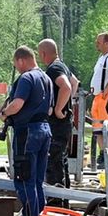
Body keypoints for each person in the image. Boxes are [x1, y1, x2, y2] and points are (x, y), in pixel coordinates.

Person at [0, 46, 54, 216]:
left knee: (24, 178)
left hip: (27, 132)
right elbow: (51, 109)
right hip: (45, 129)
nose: (17, 68)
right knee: (37, 180)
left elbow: (17, 104)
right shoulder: (47, 79)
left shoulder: (26, 78)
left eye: (16, 64)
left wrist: (5, 113)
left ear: (21, 60)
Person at [38, 38, 79, 189]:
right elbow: (75, 83)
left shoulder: (53, 69)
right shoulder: (63, 66)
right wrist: (69, 102)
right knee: (61, 160)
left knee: (53, 161)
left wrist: (58, 108)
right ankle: (64, 202)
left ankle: (56, 201)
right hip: (65, 122)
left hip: (57, 122)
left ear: (43, 53)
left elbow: (67, 86)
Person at [88, 32, 108, 163]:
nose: (96, 44)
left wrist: (106, 89)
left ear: (107, 44)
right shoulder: (102, 57)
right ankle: (103, 154)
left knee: (105, 128)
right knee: (97, 129)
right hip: (97, 97)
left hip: (104, 98)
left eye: (99, 42)